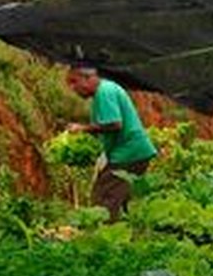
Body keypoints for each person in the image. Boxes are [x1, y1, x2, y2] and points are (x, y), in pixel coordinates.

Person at [66, 66, 157, 222]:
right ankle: (124, 236)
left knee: (104, 198)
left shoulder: (104, 92)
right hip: (132, 152)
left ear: (87, 78)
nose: (73, 88)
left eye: (74, 82)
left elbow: (114, 124)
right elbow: (105, 127)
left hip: (128, 153)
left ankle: (104, 238)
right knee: (121, 199)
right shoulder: (104, 91)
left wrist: (83, 128)